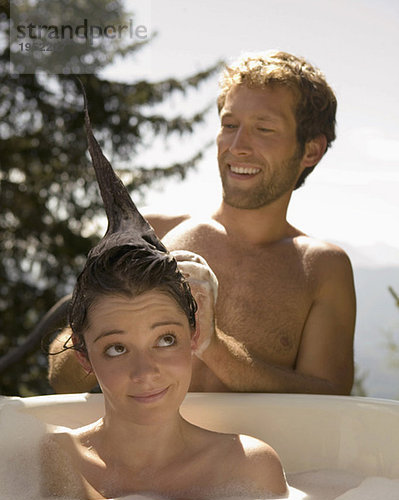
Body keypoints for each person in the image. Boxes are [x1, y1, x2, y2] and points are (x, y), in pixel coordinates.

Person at [49, 50, 356, 396]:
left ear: (310, 150)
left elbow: (329, 402)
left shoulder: (322, 268)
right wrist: (111, 321)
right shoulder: (149, 233)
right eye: (229, 125)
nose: (237, 146)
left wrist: (213, 346)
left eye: (264, 128)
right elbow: (60, 380)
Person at [41, 101, 287, 500]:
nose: (145, 372)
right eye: (117, 348)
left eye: (166, 339)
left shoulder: (250, 469)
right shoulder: (57, 463)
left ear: (194, 337)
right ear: (84, 357)